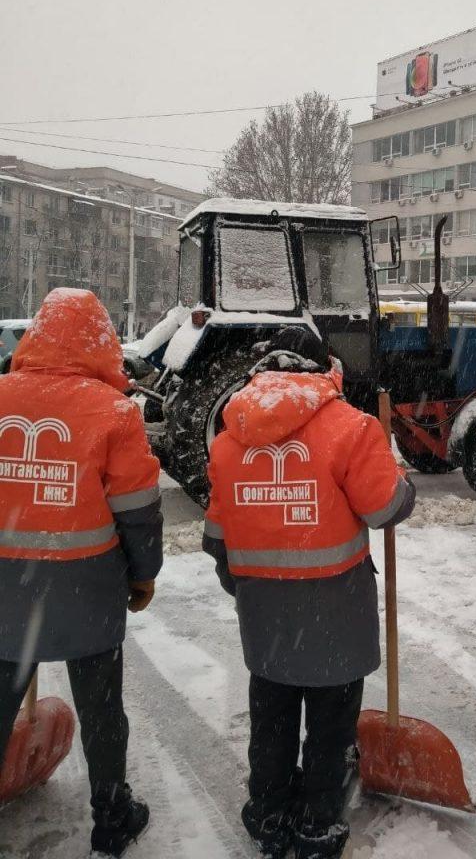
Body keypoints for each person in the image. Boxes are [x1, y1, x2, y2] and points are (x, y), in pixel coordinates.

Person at [203, 327, 415, 859]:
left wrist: (250, 586)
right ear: (324, 369)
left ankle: (269, 817)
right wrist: (401, 481)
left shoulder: (231, 439)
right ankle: (319, 826)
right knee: (329, 728)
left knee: (270, 722)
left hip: (266, 622)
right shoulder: (354, 429)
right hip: (336, 616)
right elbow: (385, 508)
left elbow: (215, 540)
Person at [0, 289, 163, 858]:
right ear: (103, 344)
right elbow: (138, 510)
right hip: (86, 588)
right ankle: (113, 815)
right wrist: (143, 575)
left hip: (3, 592)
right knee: (101, 711)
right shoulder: (113, 411)